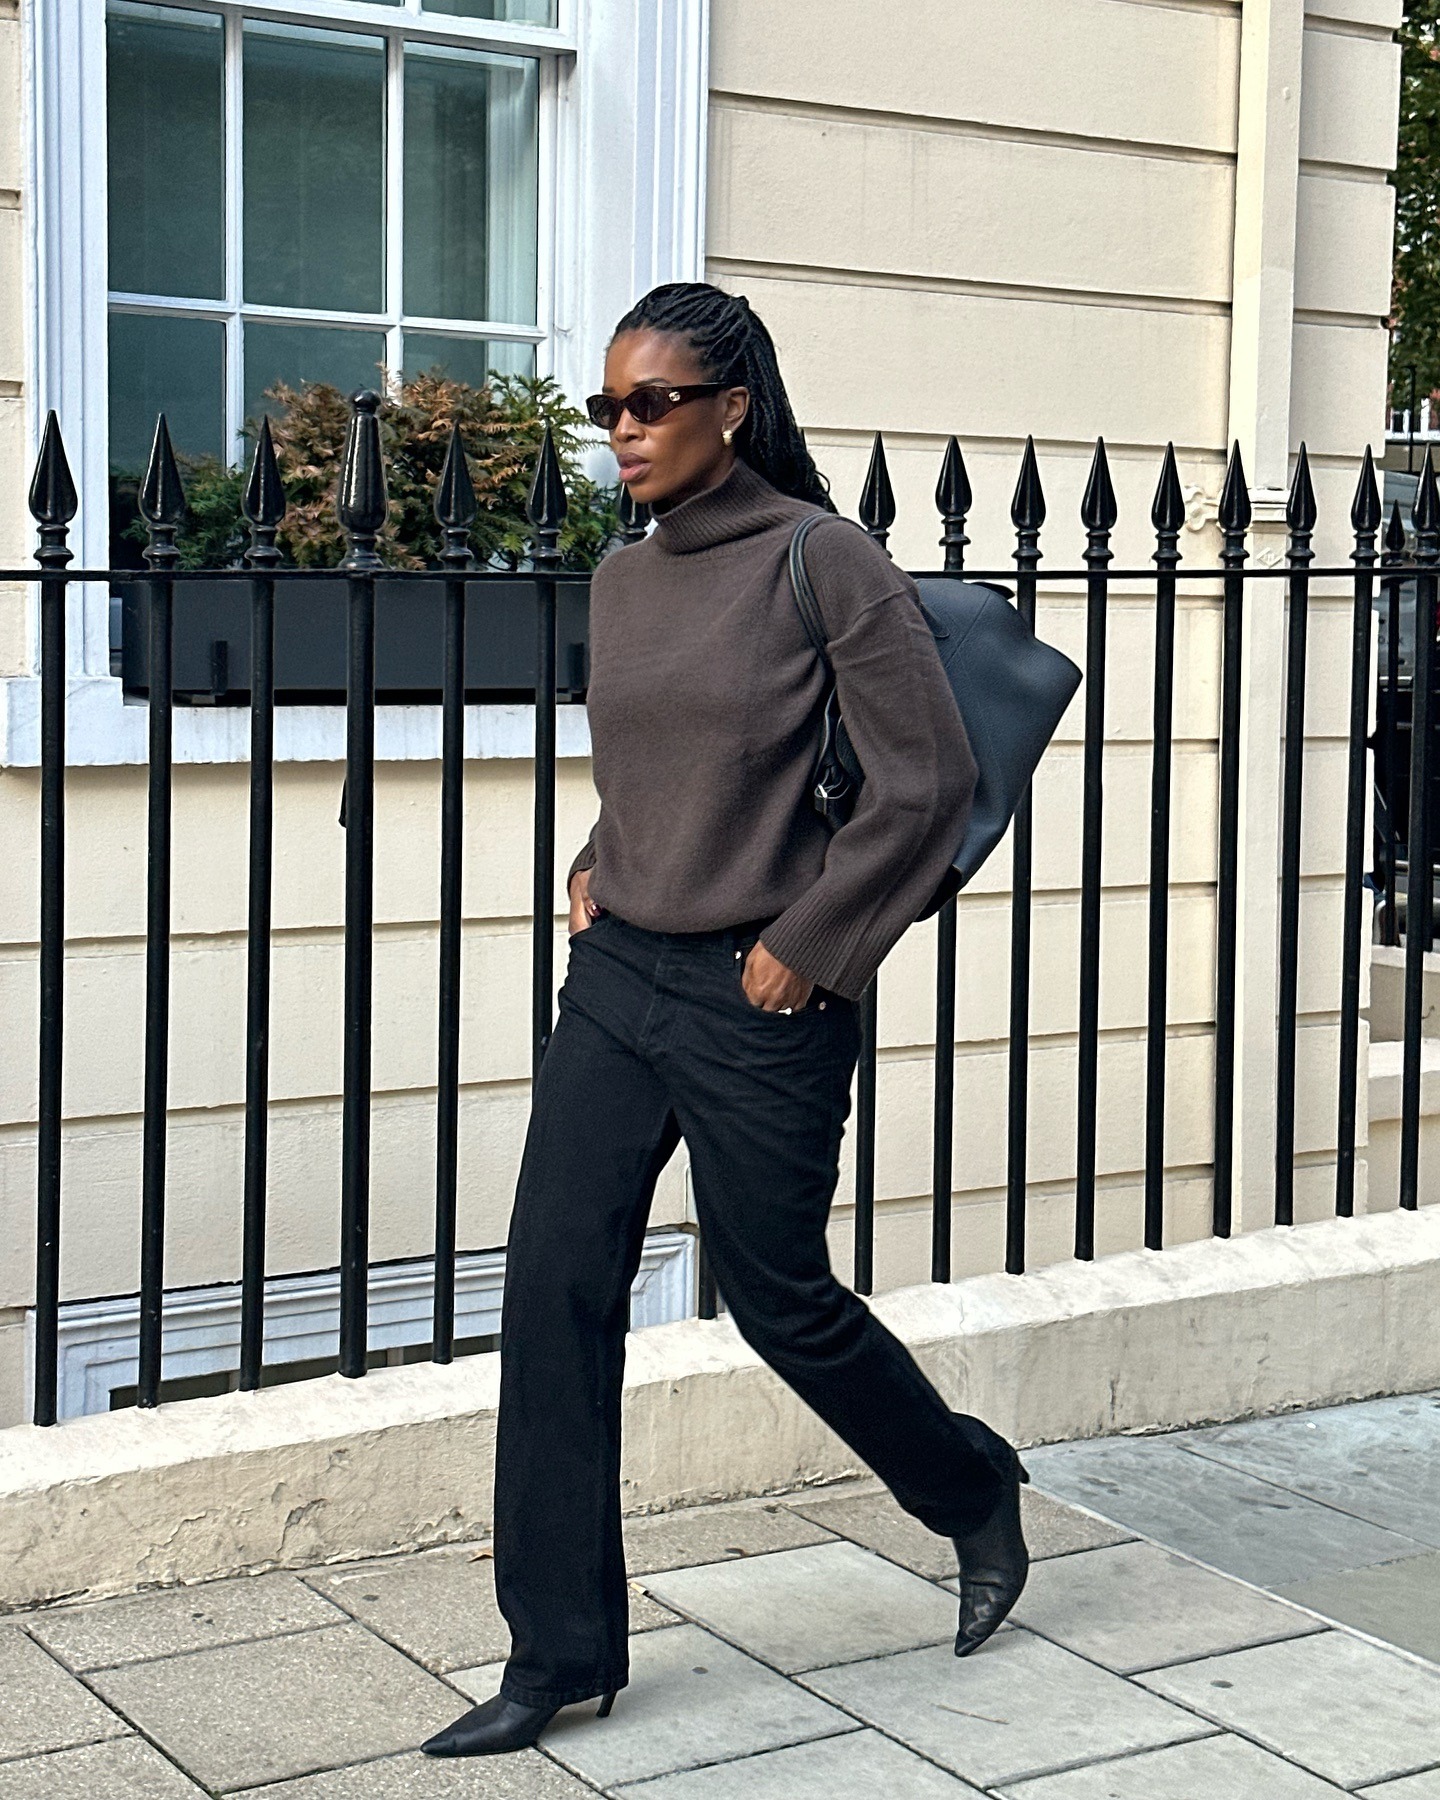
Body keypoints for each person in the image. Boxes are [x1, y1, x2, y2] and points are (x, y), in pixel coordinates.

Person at [422, 282, 1030, 1760]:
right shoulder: (625, 578)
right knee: (554, 1286)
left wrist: (809, 949)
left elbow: (925, 783)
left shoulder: (825, 560)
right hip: (620, 979)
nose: (621, 432)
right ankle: (557, 1654)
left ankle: (968, 1490)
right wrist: (598, 857)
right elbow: (660, 763)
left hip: (762, 996)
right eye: (605, 409)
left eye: (651, 404)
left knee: (778, 1298)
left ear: (731, 409)